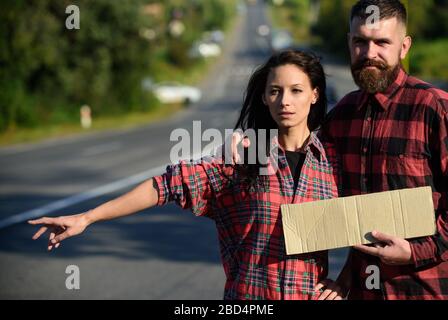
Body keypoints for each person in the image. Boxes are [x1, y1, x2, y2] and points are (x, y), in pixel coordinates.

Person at [29, 50, 343, 300]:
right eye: (275, 91)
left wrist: (344, 283)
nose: (284, 100)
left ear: (314, 95)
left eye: (296, 90)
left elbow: (366, 227)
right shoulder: (242, 157)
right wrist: (88, 217)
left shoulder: (330, 163)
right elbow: (165, 185)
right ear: (264, 97)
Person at [320, 0, 448, 300]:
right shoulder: (341, 115)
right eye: (360, 42)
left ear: (404, 47)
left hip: (427, 291)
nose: (369, 54)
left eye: (382, 42)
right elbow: (311, 188)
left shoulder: (435, 109)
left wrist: (415, 251)